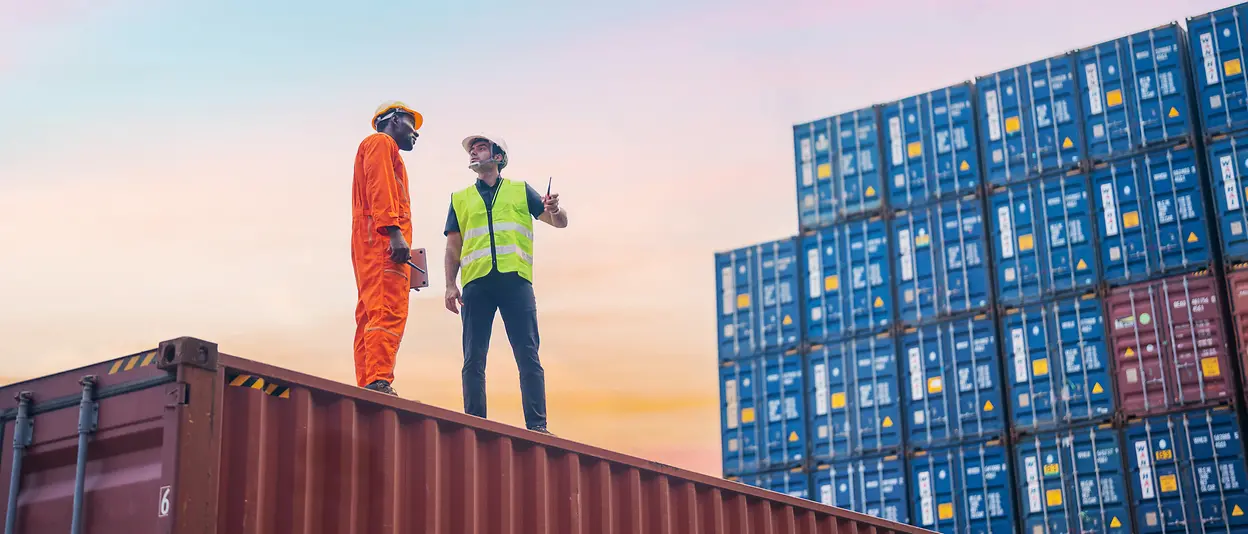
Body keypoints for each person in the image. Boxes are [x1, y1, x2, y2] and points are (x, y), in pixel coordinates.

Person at [443, 134, 568, 434]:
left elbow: (560, 222)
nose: (474, 151)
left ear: (498, 157)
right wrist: (450, 284)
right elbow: (452, 247)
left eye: (481, 147)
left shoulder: (520, 191)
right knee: (473, 357)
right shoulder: (459, 199)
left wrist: (553, 209)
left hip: (515, 283)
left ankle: (537, 426)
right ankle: (475, 425)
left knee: (528, 354)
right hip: (476, 285)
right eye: (472, 149)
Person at [350, 101, 422, 396]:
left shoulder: (376, 147)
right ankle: (378, 379)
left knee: (369, 313)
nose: (416, 132)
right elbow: (380, 187)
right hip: (382, 242)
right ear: (392, 120)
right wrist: (394, 233)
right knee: (385, 308)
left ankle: (369, 379)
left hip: (371, 240)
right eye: (411, 123)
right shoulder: (380, 143)